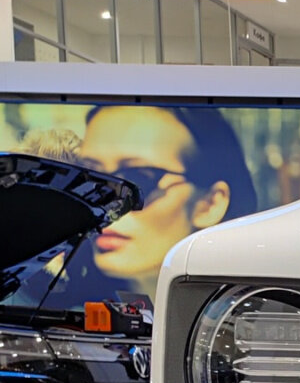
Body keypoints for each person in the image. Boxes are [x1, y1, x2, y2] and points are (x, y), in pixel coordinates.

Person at [73, 104, 258, 299]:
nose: (104, 202)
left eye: (139, 180)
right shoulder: (61, 305)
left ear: (210, 203)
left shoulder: (257, 311)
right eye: (90, 179)